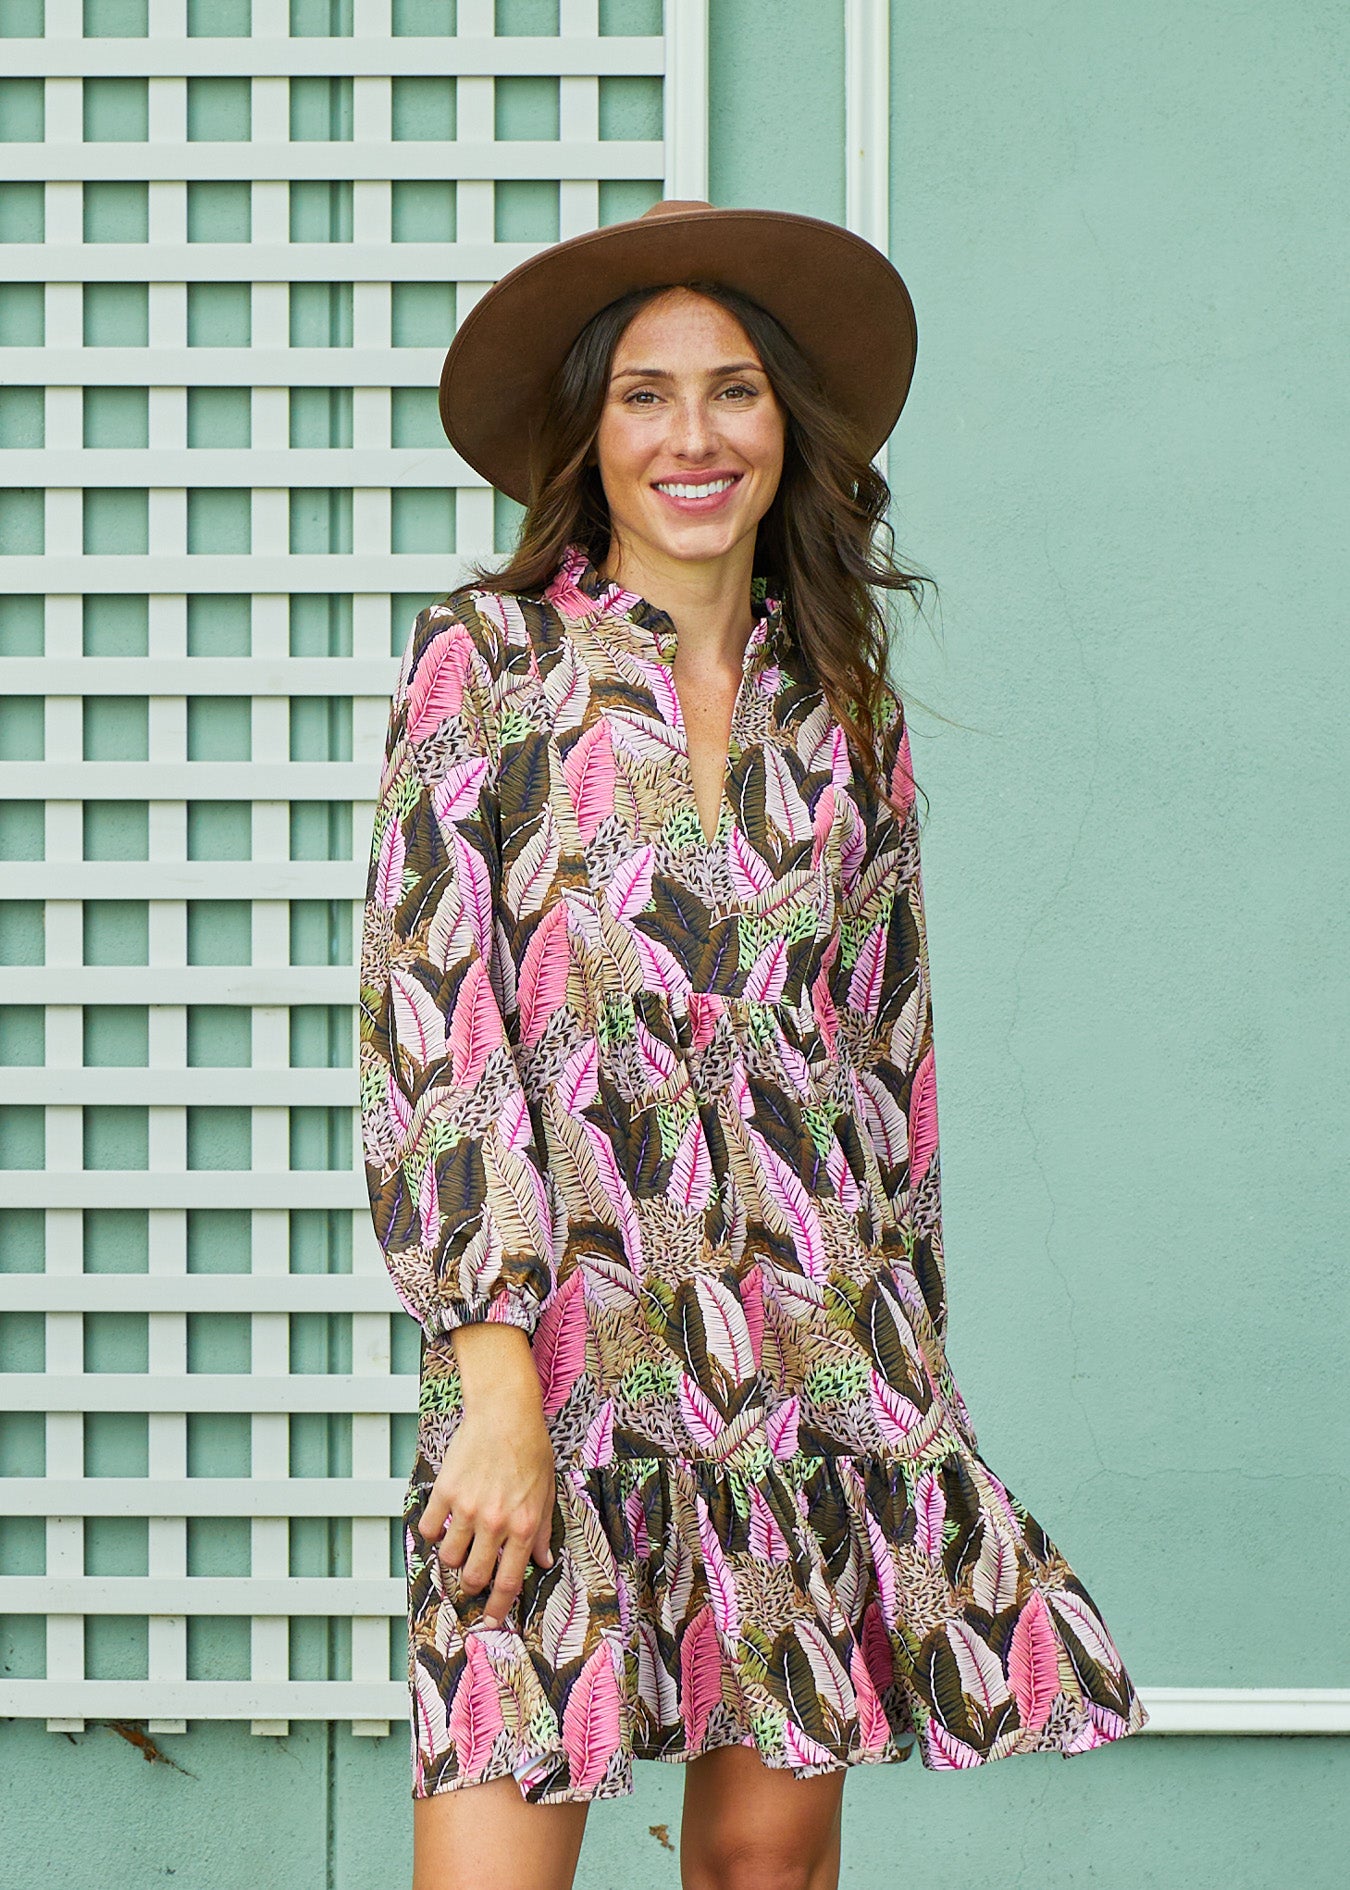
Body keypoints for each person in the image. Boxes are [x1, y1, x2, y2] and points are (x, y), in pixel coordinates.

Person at [359, 201, 1148, 1890]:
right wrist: (485, 1358)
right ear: (588, 430)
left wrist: (903, 1366)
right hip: (555, 1366)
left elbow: (889, 1066)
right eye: (643, 394)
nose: (691, 436)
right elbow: (438, 1032)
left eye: (731, 391)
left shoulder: (841, 707)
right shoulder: (486, 665)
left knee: (762, 1873)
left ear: (789, 425)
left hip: (798, 1359)